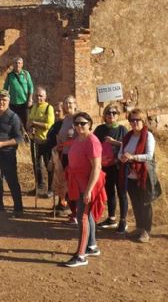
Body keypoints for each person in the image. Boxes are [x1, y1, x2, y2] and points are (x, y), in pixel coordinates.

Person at [61, 112, 106, 268]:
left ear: (90, 124)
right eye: (77, 123)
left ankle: (81, 256)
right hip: (78, 182)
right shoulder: (77, 139)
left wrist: (88, 190)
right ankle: (92, 246)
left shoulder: (92, 141)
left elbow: (96, 167)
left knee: (82, 217)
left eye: (83, 123)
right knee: (88, 215)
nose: (79, 126)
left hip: (88, 184)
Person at [118, 108, 157, 243]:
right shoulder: (128, 136)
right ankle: (139, 228)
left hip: (143, 176)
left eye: (137, 120)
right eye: (132, 120)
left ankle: (146, 231)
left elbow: (149, 156)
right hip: (130, 176)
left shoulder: (148, 136)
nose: (135, 122)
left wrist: (132, 157)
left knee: (145, 204)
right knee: (135, 204)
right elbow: (120, 152)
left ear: (143, 121)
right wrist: (122, 157)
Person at [0, 89, 24, 217]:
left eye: (4, 100)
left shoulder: (13, 117)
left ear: (8, 101)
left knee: (11, 180)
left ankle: (18, 208)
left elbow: (19, 139)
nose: (1, 102)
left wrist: (2, 144)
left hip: (7, 154)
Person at [94, 103, 129, 233]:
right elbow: (94, 143)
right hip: (105, 166)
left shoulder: (122, 130)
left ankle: (123, 221)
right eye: (108, 113)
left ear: (118, 115)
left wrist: (113, 142)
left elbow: (128, 145)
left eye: (114, 113)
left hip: (119, 166)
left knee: (121, 193)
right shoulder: (100, 129)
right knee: (109, 192)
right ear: (104, 116)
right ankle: (111, 218)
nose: (111, 115)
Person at [27, 87, 55, 197]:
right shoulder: (33, 107)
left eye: (41, 96)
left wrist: (35, 123)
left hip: (46, 142)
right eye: (37, 96)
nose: (38, 98)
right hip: (35, 140)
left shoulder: (49, 108)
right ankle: (39, 186)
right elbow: (29, 122)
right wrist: (30, 127)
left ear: (45, 97)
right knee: (37, 165)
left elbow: (49, 125)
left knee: (48, 166)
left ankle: (51, 189)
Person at [56, 95, 78, 222]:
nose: (68, 105)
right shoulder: (65, 119)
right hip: (64, 155)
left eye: (70, 103)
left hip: (74, 157)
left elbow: (79, 138)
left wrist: (64, 144)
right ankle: (73, 211)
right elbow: (63, 136)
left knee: (73, 185)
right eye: (66, 103)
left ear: (75, 104)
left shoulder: (77, 119)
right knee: (66, 184)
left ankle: (77, 213)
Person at [3, 57, 33, 127]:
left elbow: (30, 87)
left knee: (24, 122)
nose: (17, 65)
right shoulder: (10, 75)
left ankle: (25, 137)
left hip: (24, 103)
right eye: (15, 63)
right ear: (13, 64)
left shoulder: (26, 74)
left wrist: (30, 99)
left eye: (19, 63)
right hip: (13, 104)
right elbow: (5, 89)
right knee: (12, 122)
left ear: (22, 64)